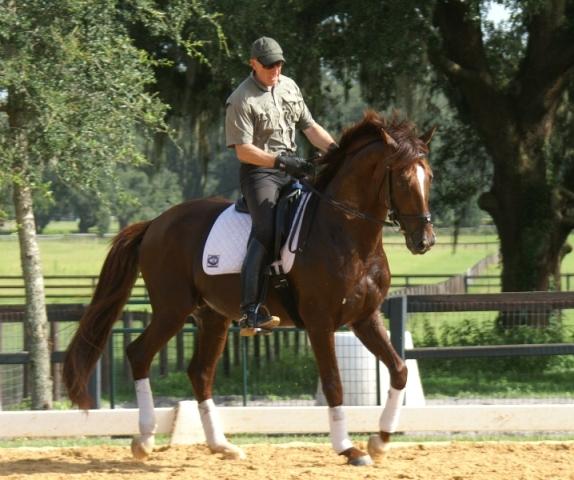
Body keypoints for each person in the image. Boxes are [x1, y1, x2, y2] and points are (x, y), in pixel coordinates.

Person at [225, 36, 337, 336]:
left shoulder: (289, 86)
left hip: (293, 166)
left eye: (279, 64)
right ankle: (250, 310)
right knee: (266, 230)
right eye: (269, 65)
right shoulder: (241, 99)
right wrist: (280, 163)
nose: (275, 69)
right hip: (260, 173)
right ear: (253, 64)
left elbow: (310, 127)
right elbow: (243, 151)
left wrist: (337, 153)